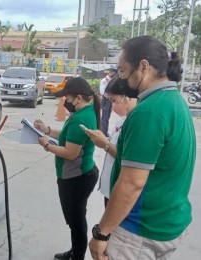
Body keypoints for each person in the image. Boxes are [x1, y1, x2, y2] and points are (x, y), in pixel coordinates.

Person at [89, 35, 196, 260]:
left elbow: (132, 183)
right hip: (168, 222)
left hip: (140, 231)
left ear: (144, 67)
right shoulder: (175, 101)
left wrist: (101, 233)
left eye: (123, 71)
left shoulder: (149, 111)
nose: (121, 78)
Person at [34, 77, 101, 260]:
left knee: (77, 222)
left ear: (78, 98)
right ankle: (75, 251)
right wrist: (47, 130)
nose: (65, 102)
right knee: (76, 219)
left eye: (67, 98)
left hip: (76, 177)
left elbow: (70, 153)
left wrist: (46, 145)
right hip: (80, 174)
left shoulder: (82, 117)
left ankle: (77, 256)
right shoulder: (83, 113)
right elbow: (67, 136)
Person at [84, 75, 137, 207]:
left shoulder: (136, 124)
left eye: (114, 101)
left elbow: (128, 156)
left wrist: (106, 145)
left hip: (120, 193)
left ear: (127, 98)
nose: (112, 107)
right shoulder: (122, 120)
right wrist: (104, 139)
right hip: (109, 189)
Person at [99, 67, 117, 137]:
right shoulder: (104, 80)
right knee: (104, 117)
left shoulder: (112, 80)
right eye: (113, 72)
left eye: (115, 72)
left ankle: (105, 132)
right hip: (106, 100)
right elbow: (102, 92)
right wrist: (110, 97)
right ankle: (103, 132)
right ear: (110, 72)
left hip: (110, 101)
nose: (114, 73)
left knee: (108, 117)